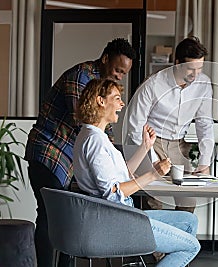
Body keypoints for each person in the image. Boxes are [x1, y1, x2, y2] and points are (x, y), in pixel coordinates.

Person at [24, 38, 135, 267]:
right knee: (49, 216)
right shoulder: (81, 77)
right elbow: (87, 121)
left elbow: (103, 130)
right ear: (105, 59)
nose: (119, 76)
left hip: (66, 158)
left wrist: (112, 155)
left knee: (67, 220)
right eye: (117, 69)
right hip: (49, 152)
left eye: (124, 73)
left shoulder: (102, 89)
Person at [73, 78, 201, 267]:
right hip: (117, 223)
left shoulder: (94, 136)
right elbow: (114, 192)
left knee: (189, 221)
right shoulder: (95, 142)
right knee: (191, 247)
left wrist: (145, 147)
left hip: (120, 216)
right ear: (101, 101)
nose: (122, 103)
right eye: (116, 98)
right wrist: (153, 175)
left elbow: (121, 175)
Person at [126, 36, 214, 213]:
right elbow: (134, 126)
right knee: (152, 200)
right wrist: (149, 157)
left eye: (200, 68)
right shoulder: (153, 84)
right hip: (153, 141)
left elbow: (205, 124)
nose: (195, 75)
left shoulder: (203, 84)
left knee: (188, 200)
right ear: (177, 63)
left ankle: (182, 240)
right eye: (190, 68)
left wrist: (204, 162)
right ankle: (152, 240)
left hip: (179, 143)